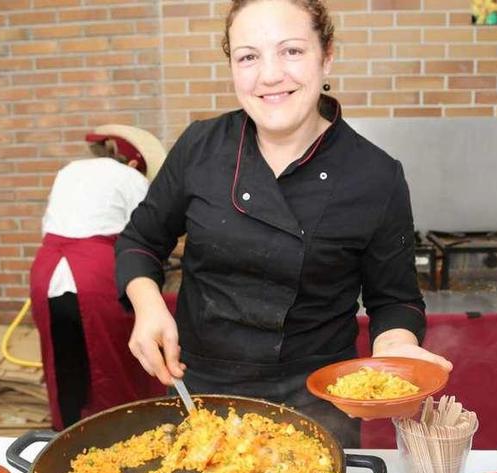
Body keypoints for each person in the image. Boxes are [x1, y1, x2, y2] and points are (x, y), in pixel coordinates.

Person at [115, 0, 452, 448]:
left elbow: (395, 299)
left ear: (326, 55)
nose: (269, 75)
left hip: (317, 396)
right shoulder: (201, 146)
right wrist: (148, 304)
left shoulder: (376, 175)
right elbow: (141, 240)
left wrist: (394, 349)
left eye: (291, 51)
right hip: (200, 388)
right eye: (248, 56)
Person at [30, 125, 167, 430]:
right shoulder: (131, 178)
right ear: (136, 164)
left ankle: (66, 433)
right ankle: (116, 433)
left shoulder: (70, 170)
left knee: (64, 358)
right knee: (113, 362)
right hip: (97, 272)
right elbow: (146, 234)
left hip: (47, 270)